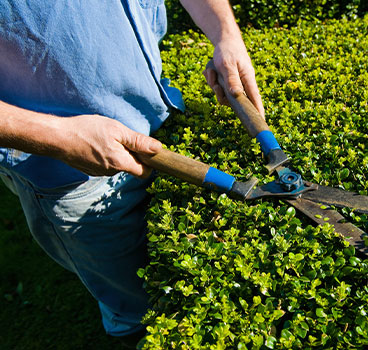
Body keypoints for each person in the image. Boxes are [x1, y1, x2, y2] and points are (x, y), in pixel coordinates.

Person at [0, 0, 264, 345]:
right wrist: (58, 136)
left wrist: (226, 34)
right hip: (71, 170)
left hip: (158, 111)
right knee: (133, 303)